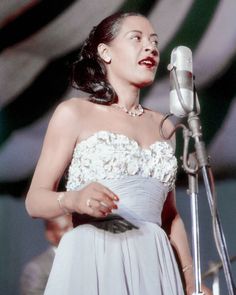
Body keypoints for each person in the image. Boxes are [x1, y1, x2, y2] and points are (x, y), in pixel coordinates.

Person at [25, 12, 212, 295]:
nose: (150, 47)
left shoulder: (166, 127)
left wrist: (190, 281)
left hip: (154, 262)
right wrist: (73, 198)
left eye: (154, 42)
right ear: (105, 52)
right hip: (95, 256)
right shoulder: (74, 113)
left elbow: (170, 216)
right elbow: (35, 201)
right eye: (136, 38)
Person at [20, 215, 72, 295]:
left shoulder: (85, 259)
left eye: (74, 227)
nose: (72, 231)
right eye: (65, 228)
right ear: (50, 235)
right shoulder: (37, 268)